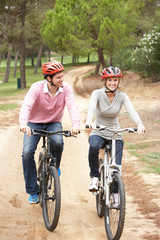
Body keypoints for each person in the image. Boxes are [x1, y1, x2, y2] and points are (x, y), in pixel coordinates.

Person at [19, 61, 80, 204]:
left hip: (53, 123)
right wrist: (23, 123)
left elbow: (72, 107)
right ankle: (33, 190)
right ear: (49, 78)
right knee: (27, 152)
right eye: (58, 77)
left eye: (62, 76)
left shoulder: (66, 89)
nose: (62, 80)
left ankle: (55, 166)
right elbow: (26, 105)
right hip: (34, 122)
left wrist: (75, 125)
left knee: (58, 142)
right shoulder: (36, 88)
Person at [85, 66, 145, 193]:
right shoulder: (97, 93)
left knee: (116, 168)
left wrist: (140, 124)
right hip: (99, 131)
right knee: (94, 146)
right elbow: (92, 108)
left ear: (119, 81)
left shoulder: (122, 95)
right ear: (105, 81)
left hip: (115, 133)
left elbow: (131, 110)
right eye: (110, 80)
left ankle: (116, 195)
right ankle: (95, 177)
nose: (113, 83)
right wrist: (89, 121)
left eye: (115, 80)